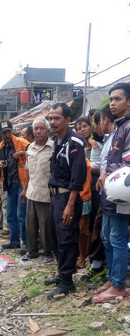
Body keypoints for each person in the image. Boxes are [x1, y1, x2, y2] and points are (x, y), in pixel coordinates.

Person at [45, 103, 86, 299]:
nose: (52, 122)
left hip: (66, 197)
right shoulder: (57, 141)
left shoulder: (74, 142)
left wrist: (70, 205)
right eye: (50, 118)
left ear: (68, 120)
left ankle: (67, 282)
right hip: (55, 196)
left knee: (67, 237)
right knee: (55, 236)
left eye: (56, 118)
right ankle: (62, 272)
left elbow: (77, 178)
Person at [94, 83, 130, 303]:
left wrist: (108, 173)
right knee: (106, 236)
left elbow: (126, 162)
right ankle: (112, 277)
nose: (113, 103)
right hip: (109, 192)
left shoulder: (128, 127)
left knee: (117, 238)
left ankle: (118, 285)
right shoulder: (119, 127)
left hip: (121, 192)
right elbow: (111, 159)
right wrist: (105, 172)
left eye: (117, 98)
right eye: (111, 99)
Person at [82, 105, 116, 282]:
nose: (96, 127)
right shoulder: (109, 138)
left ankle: (114, 275)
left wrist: (85, 165)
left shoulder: (115, 138)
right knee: (104, 232)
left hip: (113, 192)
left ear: (104, 120)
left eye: (96, 123)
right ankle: (106, 269)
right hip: (106, 191)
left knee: (110, 233)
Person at [20, 117, 53, 262]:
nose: (38, 131)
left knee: (45, 226)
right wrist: (24, 189)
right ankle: (31, 251)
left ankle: (47, 252)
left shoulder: (53, 147)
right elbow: (28, 171)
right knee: (30, 225)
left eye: (41, 128)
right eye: (36, 128)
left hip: (46, 193)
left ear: (47, 130)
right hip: (31, 192)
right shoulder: (30, 148)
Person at [0, 120, 29, 250]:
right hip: (10, 184)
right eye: (4, 133)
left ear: (12, 130)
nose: (7, 134)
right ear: (1, 134)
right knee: (10, 215)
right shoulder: (1, 146)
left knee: (21, 215)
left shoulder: (22, 143)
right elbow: (0, 160)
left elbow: (35, 153)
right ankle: (14, 240)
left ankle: (26, 243)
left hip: (22, 183)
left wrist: (21, 153)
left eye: (9, 131)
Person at [75, 117, 102, 269]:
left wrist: (83, 166)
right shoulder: (77, 145)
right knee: (80, 225)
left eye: (85, 126)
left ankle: (91, 255)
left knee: (91, 225)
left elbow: (99, 167)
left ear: (90, 128)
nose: (82, 129)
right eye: (79, 128)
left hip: (93, 188)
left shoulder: (95, 144)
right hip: (79, 188)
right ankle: (81, 255)